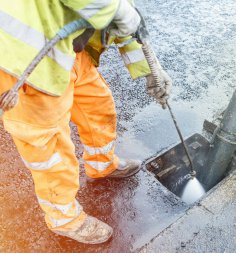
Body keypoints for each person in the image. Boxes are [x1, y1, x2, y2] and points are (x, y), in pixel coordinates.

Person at [0, 0, 171, 244]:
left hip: (69, 46)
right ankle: (63, 218)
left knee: (99, 108)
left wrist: (150, 70)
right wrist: (115, 10)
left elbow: (122, 19)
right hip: (26, 59)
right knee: (50, 148)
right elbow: (112, 9)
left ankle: (101, 164)